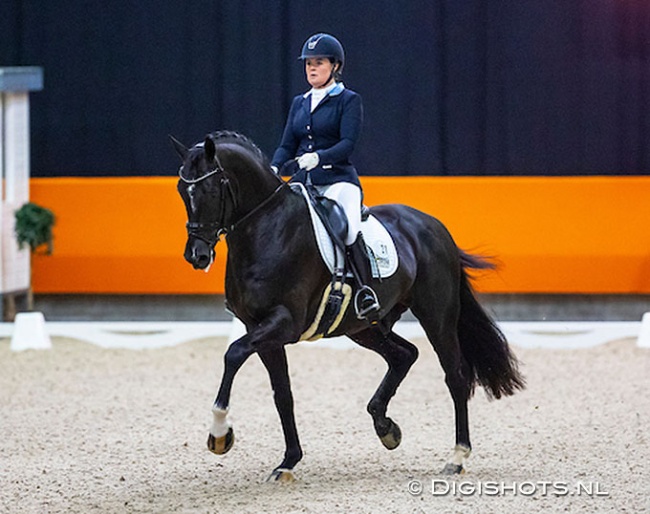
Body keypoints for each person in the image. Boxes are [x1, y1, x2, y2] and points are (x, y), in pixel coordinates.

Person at [271, 33, 380, 321]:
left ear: (334, 66)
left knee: (347, 229)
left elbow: (347, 144)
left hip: (338, 181)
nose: (311, 68)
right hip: (303, 183)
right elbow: (286, 145)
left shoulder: (348, 100)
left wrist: (319, 157)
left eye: (319, 62)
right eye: (308, 63)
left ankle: (364, 292)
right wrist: (273, 167)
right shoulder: (299, 102)